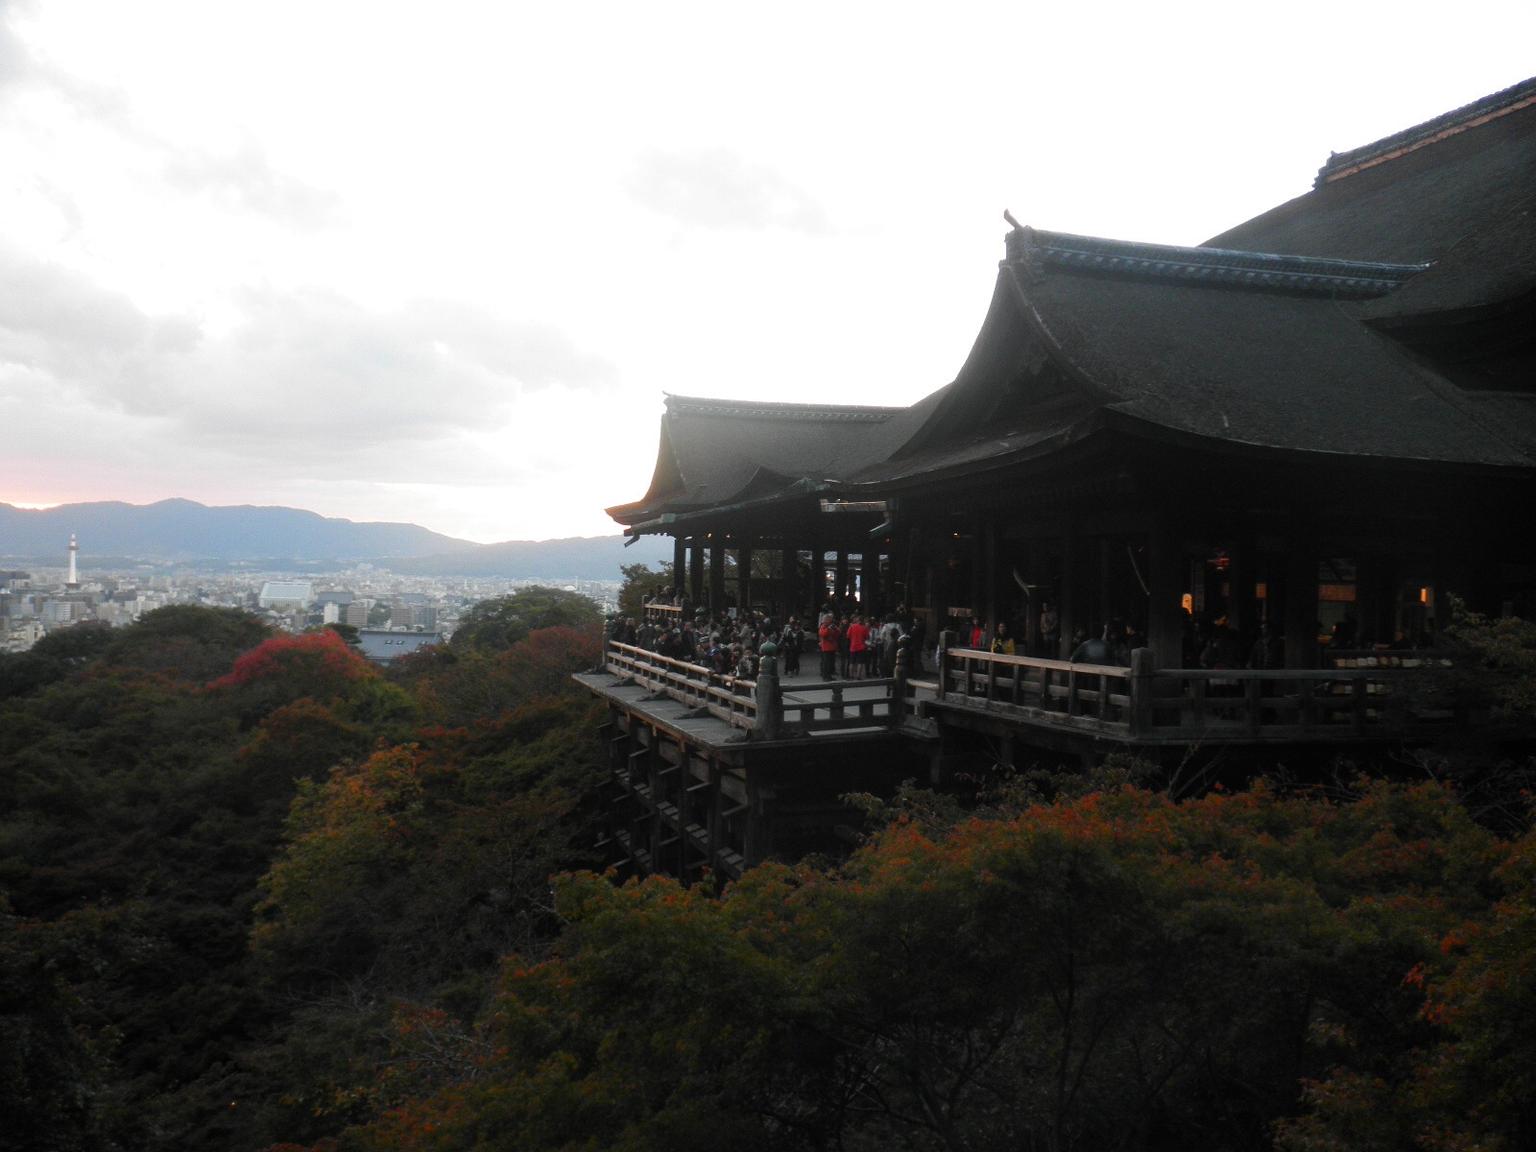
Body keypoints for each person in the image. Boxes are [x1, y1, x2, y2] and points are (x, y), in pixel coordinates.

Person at [818, 613, 841, 681]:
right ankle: (825, 676)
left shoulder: (832, 626)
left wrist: (836, 629)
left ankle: (829, 675)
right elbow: (823, 634)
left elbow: (838, 634)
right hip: (826, 648)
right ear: (825, 620)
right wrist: (828, 628)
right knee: (826, 663)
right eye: (829, 619)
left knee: (831, 663)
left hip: (832, 647)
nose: (831, 620)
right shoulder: (823, 626)